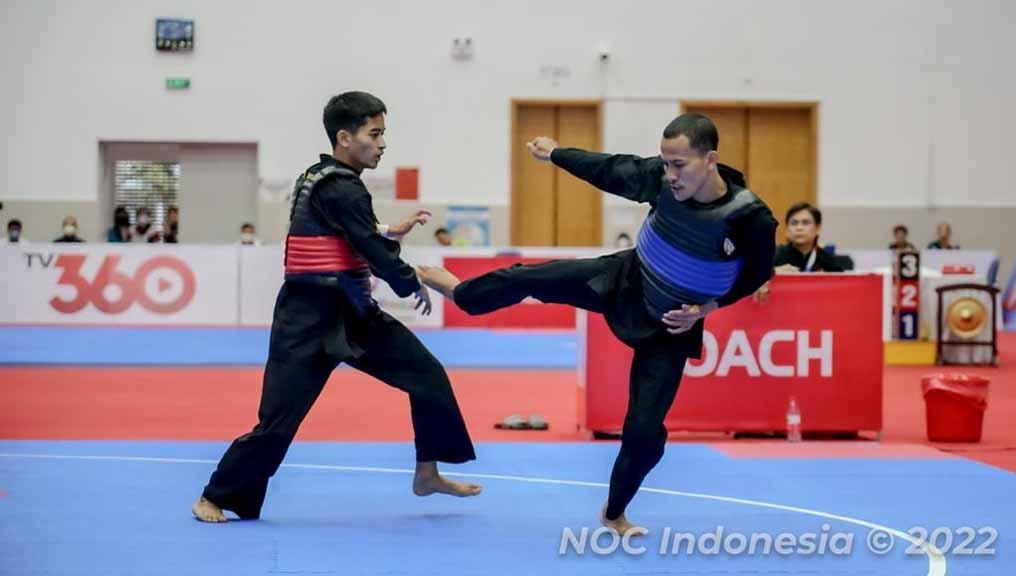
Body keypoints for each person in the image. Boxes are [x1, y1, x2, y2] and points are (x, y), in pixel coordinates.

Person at [418, 113, 777, 534]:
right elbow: (608, 169)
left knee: (644, 433)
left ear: (711, 160)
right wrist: (555, 154)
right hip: (622, 281)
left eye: (680, 165)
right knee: (528, 278)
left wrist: (707, 309)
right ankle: (460, 293)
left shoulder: (750, 217)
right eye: (665, 162)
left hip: (672, 325)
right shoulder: (659, 180)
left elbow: (756, 274)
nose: (670, 174)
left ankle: (614, 513)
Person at [192, 91, 479, 523]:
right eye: (375, 134)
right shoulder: (342, 187)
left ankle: (427, 473)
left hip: (355, 312)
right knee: (278, 422)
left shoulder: (322, 176)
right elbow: (372, 250)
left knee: (428, 377)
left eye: (385, 134)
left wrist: (385, 229)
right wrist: (415, 279)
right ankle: (213, 496)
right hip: (307, 319)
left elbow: (347, 230)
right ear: (345, 137)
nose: (382, 144)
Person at [772, 203, 841, 273]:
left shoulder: (829, 261)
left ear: (818, 228)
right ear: (787, 230)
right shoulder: (773, 255)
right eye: (794, 223)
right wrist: (774, 272)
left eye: (805, 223)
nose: (799, 228)